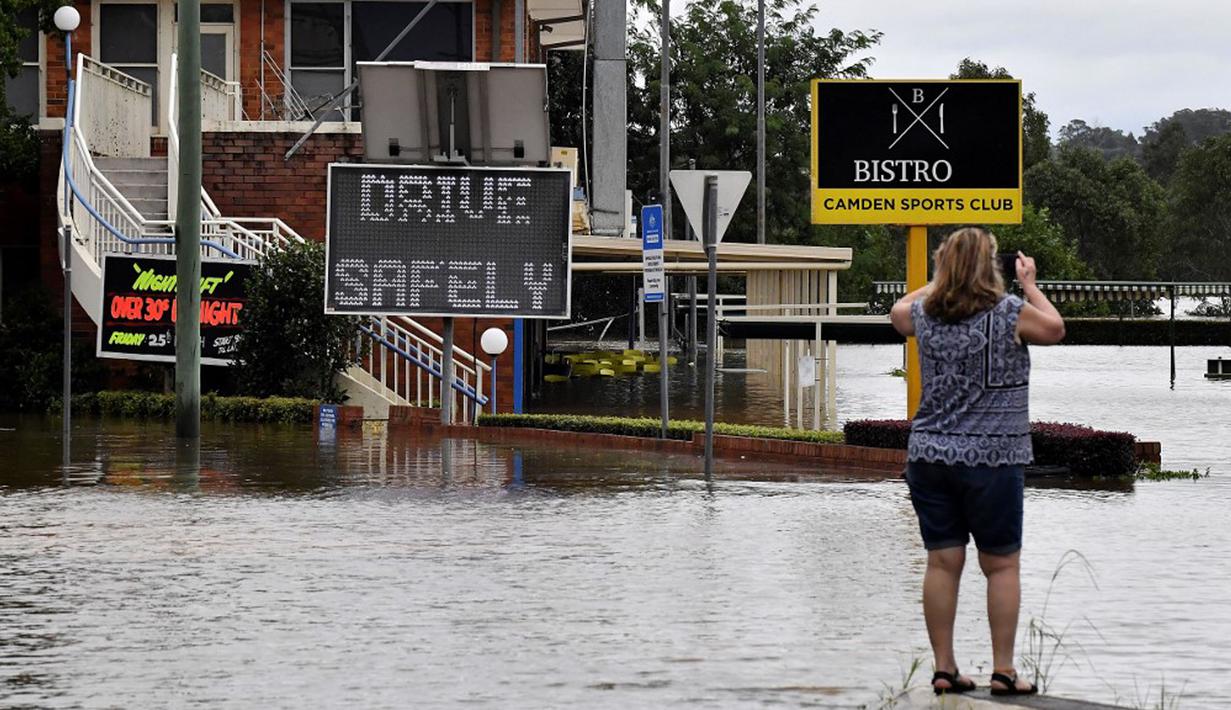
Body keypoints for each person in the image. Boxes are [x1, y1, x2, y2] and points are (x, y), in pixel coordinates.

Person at [889, 227, 1065, 696]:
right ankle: (1004, 671)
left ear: (944, 267)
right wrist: (1029, 283)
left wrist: (937, 281)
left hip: (929, 456)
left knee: (942, 563)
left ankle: (945, 669)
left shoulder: (924, 314)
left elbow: (896, 312)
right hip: (992, 458)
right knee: (1001, 566)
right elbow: (1055, 328)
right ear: (991, 267)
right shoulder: (1010, 313)